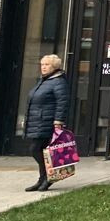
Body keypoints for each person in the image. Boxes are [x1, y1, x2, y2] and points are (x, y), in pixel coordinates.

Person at [24, 54, 70, 192]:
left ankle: (49, 177)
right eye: (42, 64)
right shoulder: (43, 81)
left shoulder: (58, 82)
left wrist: (58, 121)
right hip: (38, 121)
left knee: (35, 149)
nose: (43, 67)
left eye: (47, 65)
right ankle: (43, 179)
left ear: (54, 67)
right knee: (42, 151)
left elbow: (62, 102)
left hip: (47, 122)